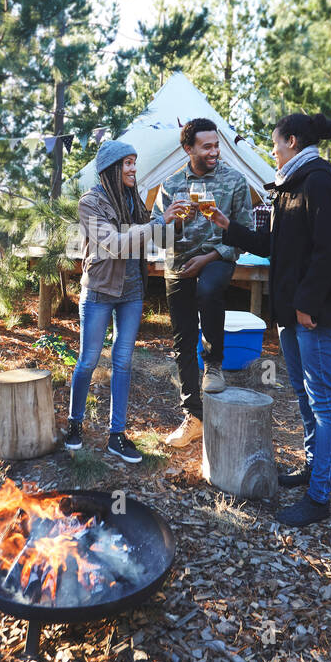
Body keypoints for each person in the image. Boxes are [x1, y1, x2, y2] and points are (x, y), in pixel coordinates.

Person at [207, 113, 331, 527]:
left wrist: (307, 304)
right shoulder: (288, 184)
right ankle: (309, 467)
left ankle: (319, 497)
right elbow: (271, 245)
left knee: (323, 400)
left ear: (293, 140)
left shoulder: (319, 180)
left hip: (310, 312)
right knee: (303, 394)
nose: (272, 149)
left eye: (275, 142)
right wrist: (228, 227)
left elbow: (326, 252)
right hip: (287, 310)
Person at [65, 140, 191, 463]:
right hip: (99, 290)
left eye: (134, 162)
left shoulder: (135, 199)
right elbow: (116, 245)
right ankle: (74, 423)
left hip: (132, 292)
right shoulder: (90, 202)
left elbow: (156, 239)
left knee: (123, 361)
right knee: (89, 360)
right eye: (127, 163)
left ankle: (116, 435)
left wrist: (175, 220)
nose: (134, 168)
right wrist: (156, 225)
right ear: (111, 168)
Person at [155, 118, 253, 449]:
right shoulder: (170, 184)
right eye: (207, 146)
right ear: (188, 149)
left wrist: (210, 257)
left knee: (210, 289)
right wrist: (176, 224)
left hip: (217, 259)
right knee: (182, 340)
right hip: (179, 265)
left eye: (216, 145)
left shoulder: (234, 180)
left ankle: (214, 364)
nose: (214, 151)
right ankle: (193, 417)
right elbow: (160, 239)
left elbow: (245, 234)